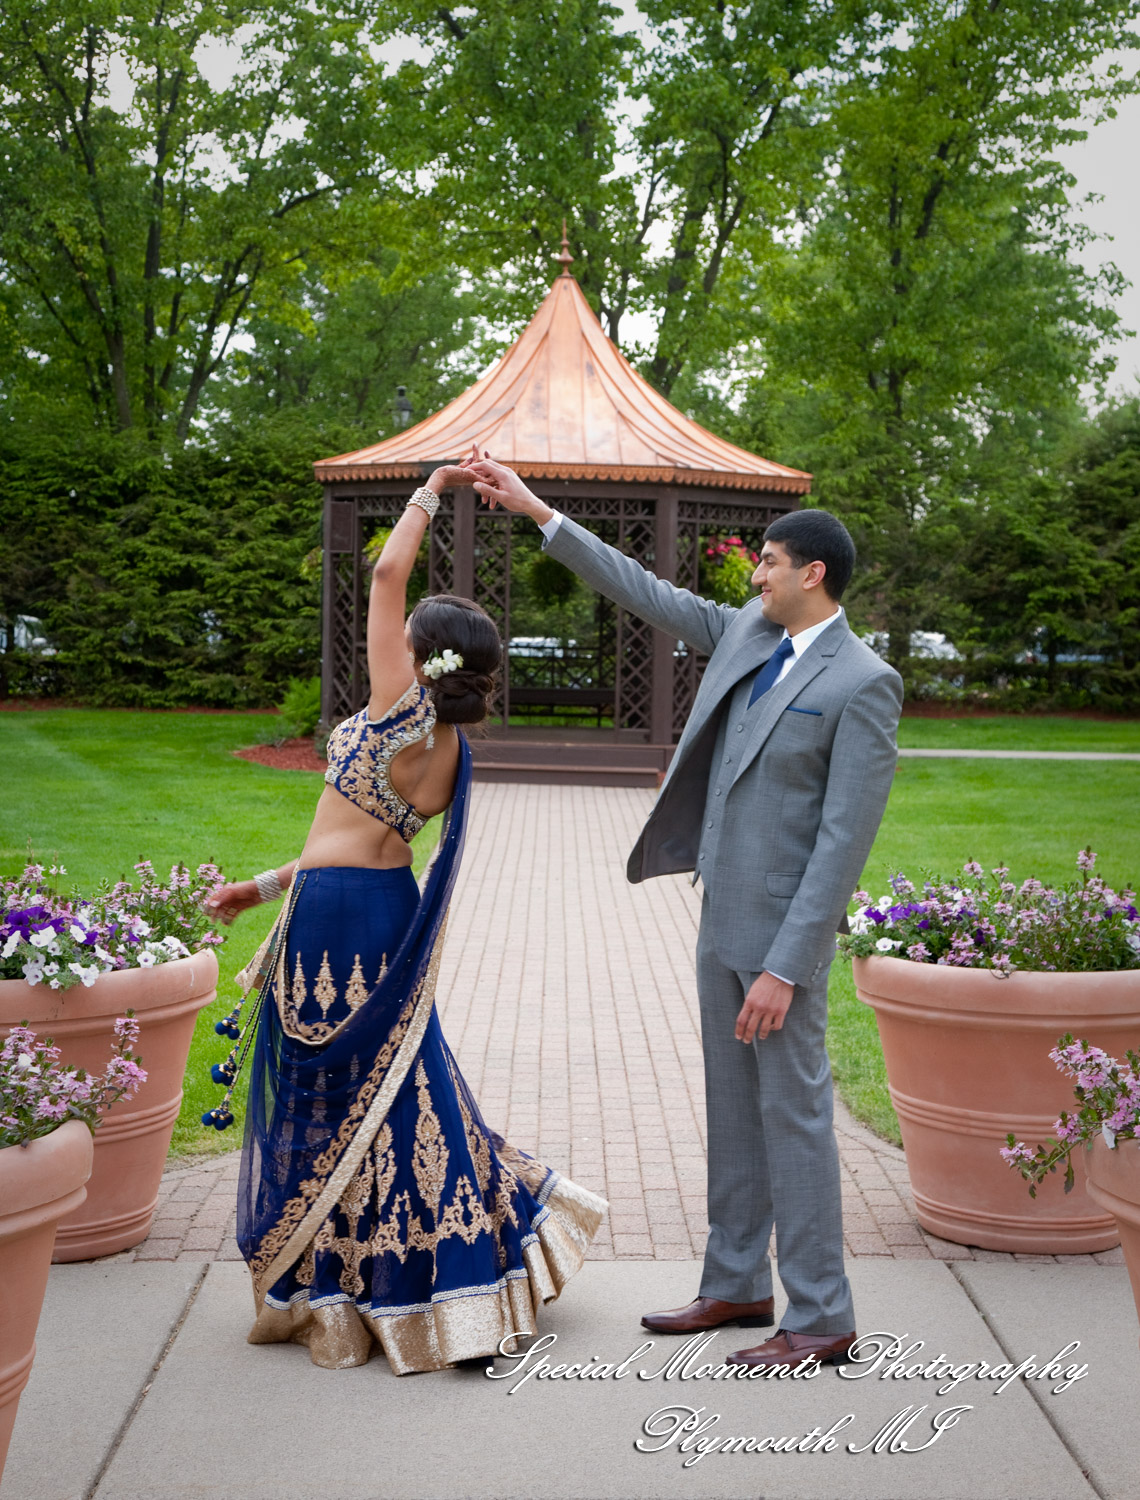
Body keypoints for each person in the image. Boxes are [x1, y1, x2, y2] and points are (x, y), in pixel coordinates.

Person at [468, 453, 902, 1372]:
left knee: (796, 1118)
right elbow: (645, 591)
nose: (756, 575)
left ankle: (821, 1315)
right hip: (719, 923)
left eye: (770, 563)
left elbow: (842, 844)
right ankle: (738, 1284)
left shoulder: (865, 683)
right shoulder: (747, 631)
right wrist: (538, 512)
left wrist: (788, 966)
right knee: (735, 1111)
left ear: (811, 573)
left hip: (782, 945)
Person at [203, 454, 606, 1375]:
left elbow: (387, 571)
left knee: (338, 1091)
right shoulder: (456, 750)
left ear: (425, 652)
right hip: (384, 907)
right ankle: (457, 1269)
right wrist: (258, 888)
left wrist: (432, 486)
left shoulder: (395, 704)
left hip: (332, 920)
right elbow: (365, 839)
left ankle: (344, 1288)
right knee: (401, 1083)